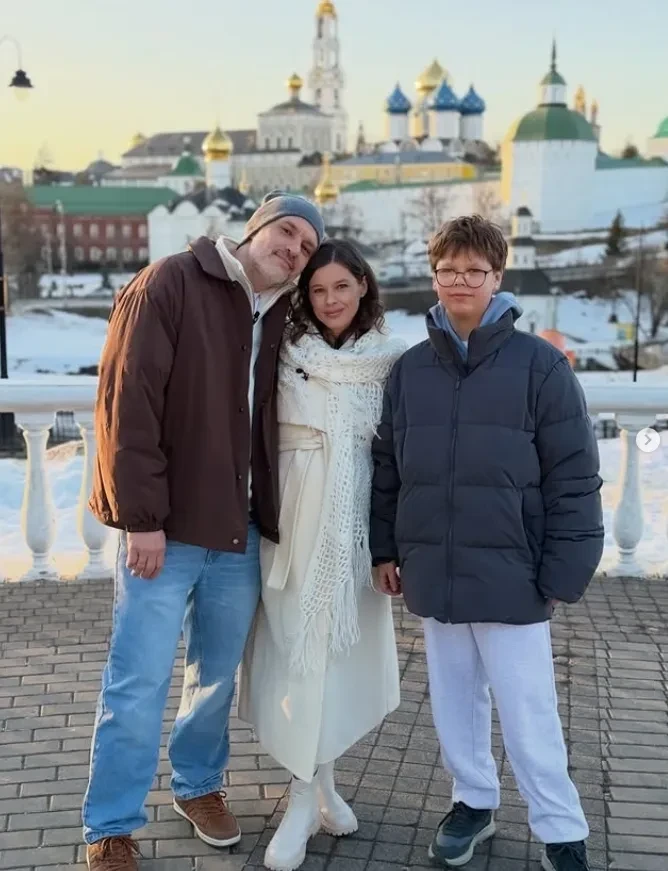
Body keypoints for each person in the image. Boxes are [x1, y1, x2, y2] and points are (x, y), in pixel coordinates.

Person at [82, 192, 325, 871]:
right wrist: (141, 519)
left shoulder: (281, 315)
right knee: (138, 680)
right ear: (254, 228)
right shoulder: (170, 282)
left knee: (215, 677)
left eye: (307, 247)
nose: (294, 250)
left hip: (237, 532)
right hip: (163, 533)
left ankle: (197, 785)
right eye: (286, 232)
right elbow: (126, 403)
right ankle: (111, 824)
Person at [370, 215, 604, 871]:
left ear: (497, 277)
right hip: (434, 568)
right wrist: (385, 550)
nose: (460, 282)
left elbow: (574, 474)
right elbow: (387, 468)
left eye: (475, 270)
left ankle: (561, 829)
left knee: (528, 709)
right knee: (454, 702)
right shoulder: (411, 370)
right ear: (434, 277)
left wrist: (564, 570)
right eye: (448, 270)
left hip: (514, 572)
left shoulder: (540, 366)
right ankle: (472, 801)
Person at [238, 239, 406, 871]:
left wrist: (392, 543)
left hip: (355, 529)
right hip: (290, 522)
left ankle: (313, 793)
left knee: (337, 659)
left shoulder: (393, 361)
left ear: (363, 286)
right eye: (317, 289)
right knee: (295, 656)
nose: (331, 300)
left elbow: (399, 456)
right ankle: (310, 793)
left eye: (341, 286)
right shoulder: (282, 351)